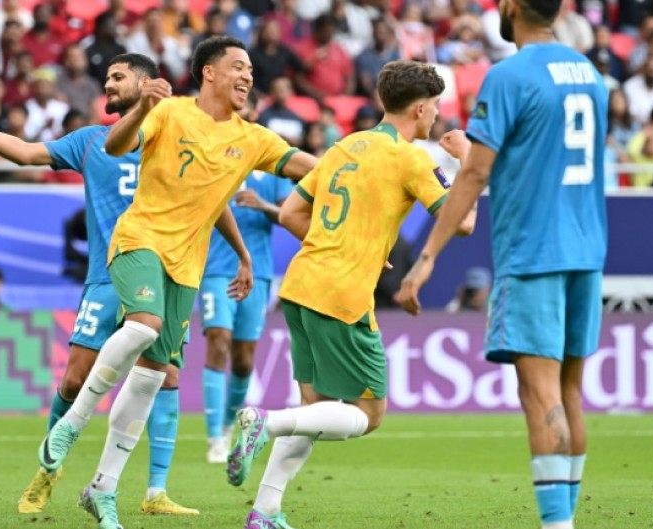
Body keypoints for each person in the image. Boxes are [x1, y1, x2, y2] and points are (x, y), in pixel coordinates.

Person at [38, 36, 317, 529]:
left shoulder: (254, 138)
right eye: (238, 66)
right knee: (143, 327)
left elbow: (311, 168)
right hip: (138, 241)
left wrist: (358, 172)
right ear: (209, 72)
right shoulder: (170, 112)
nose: (248, 75)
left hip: (187, 267)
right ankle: (72, 424)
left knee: (150, 377)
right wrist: (144, 107)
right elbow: (114, 144)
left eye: (250, 68)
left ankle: (101, 489)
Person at [0, 54, 199, 516]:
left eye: (118, 77)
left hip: (166, 274)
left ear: (147, 82)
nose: (108, 85)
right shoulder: (92, 141)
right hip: (108, 274)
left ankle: (155, 492)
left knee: (167, 377)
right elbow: (28, 153)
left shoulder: (178, 139)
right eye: (108, 77)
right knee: (76, 378)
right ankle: (47, 473)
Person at [226, 60, 475, 529]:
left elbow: (292, 214)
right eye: (437, 107)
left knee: (315, 409)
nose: (438, 117)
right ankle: (265, 422)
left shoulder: (343, 147)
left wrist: (350, 246)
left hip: (300, 285)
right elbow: (462, 222)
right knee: (369, 412)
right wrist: (465, 160)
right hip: (341, 295)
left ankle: (265, 512)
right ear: (420, 108)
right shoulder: (410, 157)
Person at [396, 0, 609, 526]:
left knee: (539, 392)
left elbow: (475, 177)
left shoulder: (508, 74)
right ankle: (567, 519)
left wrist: (426, 259)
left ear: (513, 7)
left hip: (534, 250)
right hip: (587, 248)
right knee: (570, 392)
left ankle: (557, 524)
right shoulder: (591, 72)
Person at [201, 92, 295, 464]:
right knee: (218, 341)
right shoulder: (210, 152)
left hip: (258, 272)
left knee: (242, 359)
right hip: (213, 268)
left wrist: (264, 205)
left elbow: (289, 214)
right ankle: (213, 439)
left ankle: (226, 426)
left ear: (254, 111)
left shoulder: (269, 161)